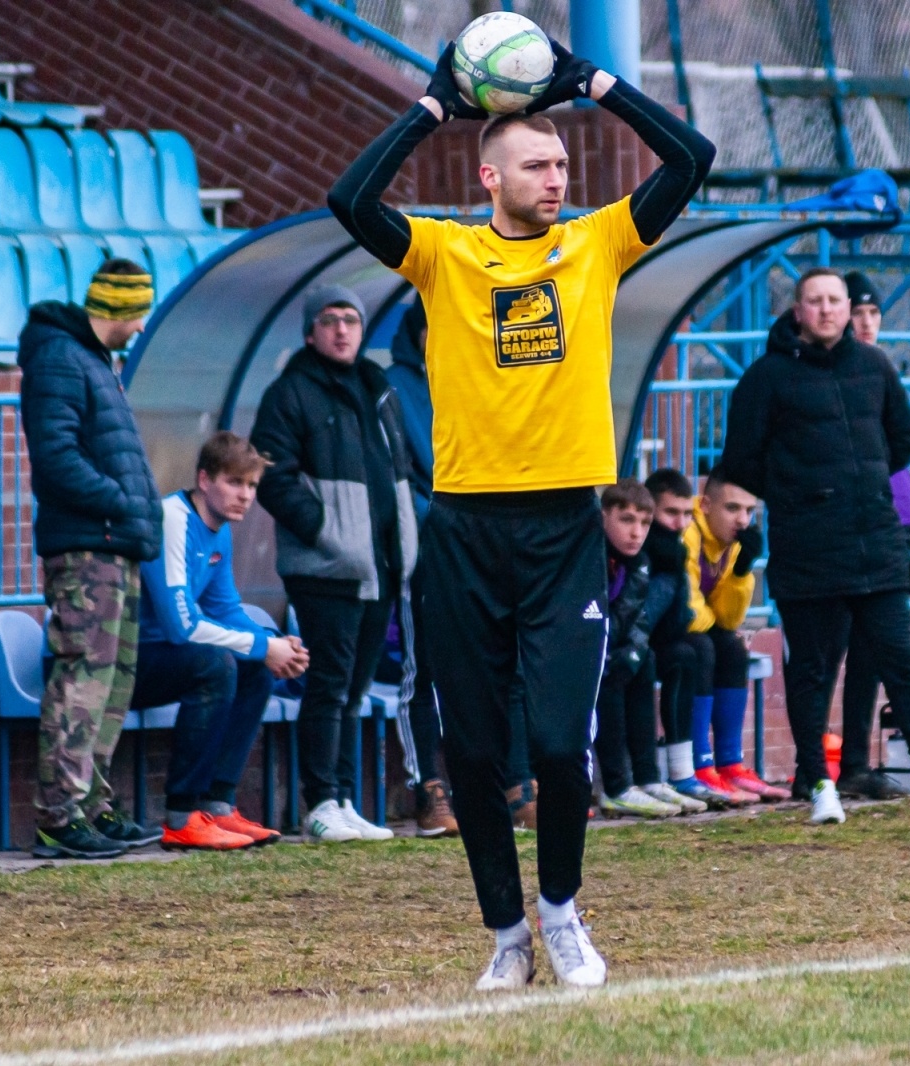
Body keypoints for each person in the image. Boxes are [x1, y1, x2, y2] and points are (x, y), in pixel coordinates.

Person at [327, 37, 713, 990]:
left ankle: (562, 914)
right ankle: (506, 935)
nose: (557, 177)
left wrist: (600, 87)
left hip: (561, 534)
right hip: (463, 531)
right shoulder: (444, 254)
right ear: (489, 175)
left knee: (554, 742)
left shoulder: (599, 243)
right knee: (473, 751)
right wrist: (427, 111)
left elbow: (693, 159)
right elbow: (349, 202)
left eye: (563, 164)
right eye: (538, 164)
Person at [720, 267, 910, 825]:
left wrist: (858, 487)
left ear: (849, 309)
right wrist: (800, 495)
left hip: (876, 543)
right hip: (808, 548)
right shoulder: (766, 379)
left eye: (835, 301)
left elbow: (902, 440)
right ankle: (819, 782)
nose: (826, 311)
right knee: (812, 671)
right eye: (814, 301)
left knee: (901, 664)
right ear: (798, 311)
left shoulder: (874, 367)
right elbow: (742, 458)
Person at [249, 286, 419, 844]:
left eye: (351, 319)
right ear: (310, 332)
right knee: (328, 683)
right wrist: (327, 532)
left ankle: (344, 799)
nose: (342, 329)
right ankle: (319, 801)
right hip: (326, 568)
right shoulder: (290, 392)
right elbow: (270, 475)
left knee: (354, 686)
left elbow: (401, 471)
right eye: (330, 320)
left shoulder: (376, 389)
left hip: (380, 565)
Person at [19, 258, 165, 859]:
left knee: (112, 683)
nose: (139, 329)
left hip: (114, 542)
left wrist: (133, 517)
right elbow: (54, 456)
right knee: (84, 676)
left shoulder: (92, 362)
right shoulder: (60, 357)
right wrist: (123, 502)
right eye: (137, 316)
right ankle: (60, 816)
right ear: (121, 310)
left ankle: (92, 808)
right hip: (87, 545)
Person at [133, 432, 311, 850]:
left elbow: (225, 608)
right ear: (204, 479)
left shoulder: (220, 530)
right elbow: (182, 627)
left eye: (251, 486)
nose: (245, 496)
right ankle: (180, 816)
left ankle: (219, 804)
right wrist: (265, 647)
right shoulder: (173, 519)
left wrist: (271, 644)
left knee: (253, 664)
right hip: (125, 663)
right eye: (234, 482)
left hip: (169, 657)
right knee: (218, 664)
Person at [834, 271, 910, 800]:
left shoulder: (881, 370)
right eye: (856, 313)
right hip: (850, 529)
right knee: (824, 654)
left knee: (875, 654)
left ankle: (857, 764)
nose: (865, 323)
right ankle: (815, 766)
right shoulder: (835, 374)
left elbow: (901, 445)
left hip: (893, 525)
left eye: (872, 314)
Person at [382, 300, 459, 837]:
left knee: (485, 671)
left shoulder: (474, 381)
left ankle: (503, 784)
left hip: (476, 547)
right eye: (436, 328)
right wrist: (439, 519)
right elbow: (397, 476)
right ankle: (428, 788)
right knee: (423, 672)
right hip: (425, 548)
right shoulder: (392, 388)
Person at [593, 481, 706, 818]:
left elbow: (642, 620)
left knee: (644, 661)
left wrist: (633, 651)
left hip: (613, 648)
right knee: (611, 669)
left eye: (644, 523)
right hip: (578, 656)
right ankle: (616, 787)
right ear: (602, 518)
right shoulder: (589, 557)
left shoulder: (639, 561)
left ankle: (648, 779)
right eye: (626, 520)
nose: (637, 532)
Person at [681, 469, 790, 805]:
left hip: (698, 632)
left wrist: (742, 569)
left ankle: (730, 765)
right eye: (733, 509)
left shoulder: (729, 543)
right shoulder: (688, 533)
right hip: (658, 632)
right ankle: (699, 766)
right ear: (706, 504)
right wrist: (714, 625)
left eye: (750, 510)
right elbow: (688, 608)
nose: (743, 520)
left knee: (732, 648)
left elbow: (728, 619)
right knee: (703, 647)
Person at [642, 469, 729, 810]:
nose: (679, 523)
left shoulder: (675, 550)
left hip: (654, 640)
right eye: (670, 513)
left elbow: (682, 617)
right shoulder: (639, 547)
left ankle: (686, 770)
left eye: (686, 514)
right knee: (648, 660)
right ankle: (637, 776)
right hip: (623, 643)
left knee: (693, 651)